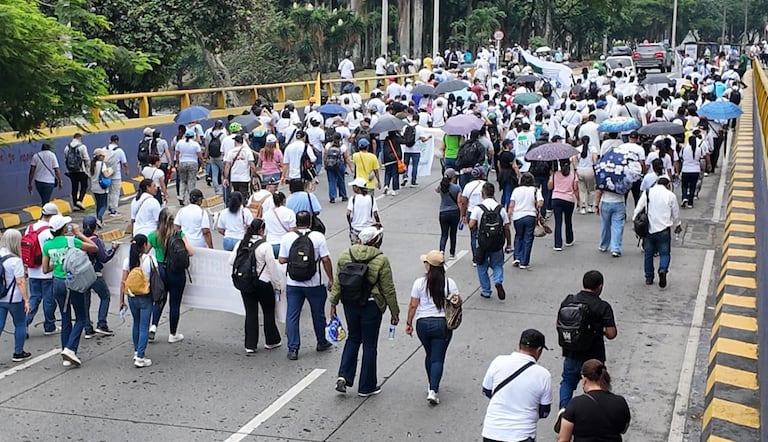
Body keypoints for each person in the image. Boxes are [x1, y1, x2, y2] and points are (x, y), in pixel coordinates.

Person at [329, 227, 399, 397]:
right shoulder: (381, 259)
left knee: (353, 338)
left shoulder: (346, 254)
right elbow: (388, 289)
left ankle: (343, 375)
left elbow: (338, 282)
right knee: (369, 345)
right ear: (376, 241)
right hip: (371, 305)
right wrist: (394, 311)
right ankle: (367, 386)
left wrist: (333, 303)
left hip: (350, 303)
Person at [555, 270, 617, 425]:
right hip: (594, 356)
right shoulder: (602, 306)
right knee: (596, 386)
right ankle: (594, 416)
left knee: (567, 382)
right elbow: (611, 333)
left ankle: (564, 409)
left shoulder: (568, 301)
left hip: (571, 352)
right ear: (600, 286)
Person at [42, 214, 98, 367]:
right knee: (80, 317)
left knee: (65, 317)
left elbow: (45, 268)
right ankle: (70, 349)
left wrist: (59, 264)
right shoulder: (71, 241)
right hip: (72, 281)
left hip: (57, 282)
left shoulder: (47, 245)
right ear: (63, 229)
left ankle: (65, 354)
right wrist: (79, 234)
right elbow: (94, 247)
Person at [278, 211, 335, 361]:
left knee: (292, 315)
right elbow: (326, 259)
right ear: (310, 222)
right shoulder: (318, 237)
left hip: (293, 283)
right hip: (314, 283)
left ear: (296, 223)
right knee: (318, 314)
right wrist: (331, 279)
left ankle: (293, 348)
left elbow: (282, 260)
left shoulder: (287, 238)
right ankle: (321, 341)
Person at [405, 250, 457, 405]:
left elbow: (413, 305)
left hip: (423, 324)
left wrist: (409, 323)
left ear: (429, 266)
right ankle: (433, 389)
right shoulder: (449, 283)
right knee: (438, 358)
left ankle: (431, 383)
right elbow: (457, 301)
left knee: (430, 354)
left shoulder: (419, 283)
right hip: (442, 324)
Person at [481, 329, 553, 442]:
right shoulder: (543, 375)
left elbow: (486, 390)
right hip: (522, 434)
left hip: (492, 431)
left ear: (519, 345)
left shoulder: (498, 361)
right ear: (539, 350)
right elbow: (544, 411)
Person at [230, 219, 283, 352]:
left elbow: (231, 261)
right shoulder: (265, 246)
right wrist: (277, 285)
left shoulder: (241, 243)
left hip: (246, 282)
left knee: (251, 312)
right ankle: (271, 340)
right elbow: (272, 268)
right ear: (261, 230)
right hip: (263, 282)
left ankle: (250, 345)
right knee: (268, 311)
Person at [148, 208, 195, 343]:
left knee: (159, 300)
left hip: (160, 271)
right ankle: (173, 333)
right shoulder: (179, 234)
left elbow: (144, 251)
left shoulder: (153, 236)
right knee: (174, 304)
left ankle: (153, 326)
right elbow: (190, 252)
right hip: (176, 272)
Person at [556, 360, 631, 441]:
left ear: (584, 379)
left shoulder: (575, 404)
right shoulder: (620, 402)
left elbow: (563, 439)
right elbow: (623, 429)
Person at [633, 177, 682, 287]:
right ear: (668, 185)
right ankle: (663, 269)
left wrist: (635, 222)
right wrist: (677, 224)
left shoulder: (648, 192)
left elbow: (638, 208)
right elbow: (676, 213)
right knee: (665, 253)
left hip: (649, 229)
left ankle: (649, 277)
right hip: (664, 230)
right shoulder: (670, 195)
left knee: (648, 254)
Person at [118, 234, 157, 368]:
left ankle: (136, 351)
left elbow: (123, 282)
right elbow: (155, 278)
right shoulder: (149, 260)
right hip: (145, 296)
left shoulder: (128, 261)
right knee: (144, 326)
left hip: (131, 296)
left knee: (136, 322)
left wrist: (121, 300)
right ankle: (140, 357)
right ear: (145, 245)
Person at [469, 183, 511, 299]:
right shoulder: (500, 208)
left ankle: (486, 290)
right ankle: (498, 280)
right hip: (497, 242)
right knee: (497, 264)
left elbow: (471, 224)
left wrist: (475, 228)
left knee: (481, 265)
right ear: (493, 193)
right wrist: (508, 243)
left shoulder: (478, 208)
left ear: (483, 194)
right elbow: (506, 227)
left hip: (482, 242)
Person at [25, 203, 59, 335]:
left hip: (33, 270)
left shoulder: (30, 228)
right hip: (47, 271)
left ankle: (25, 323)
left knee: (34, 298)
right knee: (49, 299)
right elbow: (54, 250)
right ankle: (49, 326)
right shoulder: (49, 231)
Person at [82, 216, 118, 339]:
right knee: (105, 296)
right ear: (94, 227)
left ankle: (87, 328)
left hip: (81, 275)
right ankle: (102, 323)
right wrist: (113, 249)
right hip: (94, 274)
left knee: (85, 300)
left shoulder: (77, 239)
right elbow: (104, 258)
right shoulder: (96, 241)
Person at [0, 229, 32, 362]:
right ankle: (18, 352)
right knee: (20, 324)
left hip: (0, 297)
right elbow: (20, 281)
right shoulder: (16, 260)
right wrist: (26, 300)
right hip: (14, 299)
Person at [508, 173, 543, 269]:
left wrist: (509, 216)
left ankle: (517, 257)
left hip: (517, 216)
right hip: (530, 216)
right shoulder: (536, 190)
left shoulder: (516, 190)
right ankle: (524, 261)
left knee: (518, 236)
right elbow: (540, 203)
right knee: (528, 238)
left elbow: (511, 205)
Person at [459, 165, 488, 265]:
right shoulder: (486, 185)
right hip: (484, 212)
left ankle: (476, 257)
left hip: (471, 212)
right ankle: (484, 255)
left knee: (474, 235)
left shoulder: (468, 186)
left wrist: (463, 215)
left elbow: (463, 202)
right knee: (484, 234)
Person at [548, 159, 580, 250]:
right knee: (568, 220)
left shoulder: (555, 174)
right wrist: (578, 201)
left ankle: (558, 244)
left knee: (558, 222)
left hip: (556, 198)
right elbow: (575, 188)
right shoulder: (573, 175)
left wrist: (551, 177)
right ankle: (569, 240)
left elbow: (550, 187)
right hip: (569, 199)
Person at [347, 178, 381, 245]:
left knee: (355, 249)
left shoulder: (353, 199)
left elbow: (348, 214)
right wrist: (378, 222)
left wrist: (350, 223)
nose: (352, 188)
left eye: (354, 186)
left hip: (355, 228)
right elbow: (375, 214)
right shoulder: (371, 198)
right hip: (367, 229)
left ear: (358, 188)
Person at [175, 128, 203, 206]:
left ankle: (181, 196)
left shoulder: (180, 142)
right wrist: (203, 163)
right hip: (192, 163)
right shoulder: (195, 144)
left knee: (182, 181)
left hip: (182, 162)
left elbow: (177, 153)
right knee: (191, 180)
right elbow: (199, 155)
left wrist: (177, 163)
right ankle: (192, 196)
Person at [223, 134, 257, 201]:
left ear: (235, 142)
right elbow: (252, 165)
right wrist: (255, 176)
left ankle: (238, 208)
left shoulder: (230, 152)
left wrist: (226, 178)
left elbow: (227, 166)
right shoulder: (247, 151)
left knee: (236, 196)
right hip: (244, 178)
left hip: (234, 178)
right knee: (243, 196)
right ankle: (242, 209)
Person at [436, 169, 461, 258]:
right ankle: (452, 253)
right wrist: (462, 214)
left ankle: (442, 251)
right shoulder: (456, 188)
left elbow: (436, 190)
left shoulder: (441, 186)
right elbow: (459, 201)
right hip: (454, 212)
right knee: (453, 234)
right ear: (453, 177)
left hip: (443, 212)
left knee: (444, 234)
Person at [263, 191, 296, 257]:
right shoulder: (290, 213)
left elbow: (265, 233)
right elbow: (292, 232)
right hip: (285, 244)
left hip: (270, 244)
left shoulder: (266, 214)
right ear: (284, 200)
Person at [63, 133, 91, 211]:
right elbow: (86, 159)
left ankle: (75, 204)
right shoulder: (82, 147)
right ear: (80, 138)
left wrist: (68, 169)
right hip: (81, 170)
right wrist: (88, 170)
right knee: (84, 186)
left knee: (74, 188)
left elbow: (65, 159)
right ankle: (80, 201)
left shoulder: (67, 147)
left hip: (72, 171)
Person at [104, 135, 129, 216]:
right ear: (117, 141)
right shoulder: (119, 151)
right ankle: (114, 210)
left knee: (108, 192)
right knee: (115, 192)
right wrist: (126, 171)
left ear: (109, 140)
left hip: (106, 174)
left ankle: (109, 207)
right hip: (116, 175)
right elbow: (124, 163)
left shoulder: (104, 149)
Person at [575, 136, 598, 214]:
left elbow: (575, 160)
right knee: (591, 190)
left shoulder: (577, 149)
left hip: (580, 170)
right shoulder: (593, 149)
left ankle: (583, 207)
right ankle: (591, 206)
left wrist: (576, 169)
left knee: (582, 190)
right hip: (590, 170)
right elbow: (595, 160)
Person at [496, 139, 520, 208]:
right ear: (507, 145)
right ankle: (508, 208)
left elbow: (498, 165)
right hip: (510, 174)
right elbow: (514, 166)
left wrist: (501, 172)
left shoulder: (500, 154)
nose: (512, 145)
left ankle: (502, 206)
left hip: (503, 173)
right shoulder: (511, 155)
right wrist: (518, 174)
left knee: (504, 192)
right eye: (511, 144)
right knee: (509, 192)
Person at [89, 148, 110, 226]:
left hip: (94, 187)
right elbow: (106, 174)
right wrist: (110, 171)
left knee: (98, 205)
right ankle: (99, 218)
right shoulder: (102, 164)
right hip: (102, 187)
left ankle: (99, 221)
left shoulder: (91, 164)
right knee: (104, 205)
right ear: (100, 156)